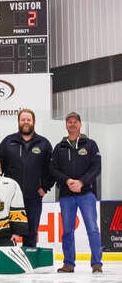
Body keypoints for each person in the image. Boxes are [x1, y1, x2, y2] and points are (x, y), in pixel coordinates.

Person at [50, 112, 102, 273]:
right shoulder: (59, 147)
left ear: (80, 124)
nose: (72, 124)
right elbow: (52, 169)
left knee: (92, 228)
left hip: (86, 193)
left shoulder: (90, 144)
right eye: (69, 122)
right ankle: (68, 264)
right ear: (66, 125)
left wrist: (81, 182)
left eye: (75, 121)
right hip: (66, 195)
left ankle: (96, 264)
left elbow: (96, 168)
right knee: (67, 230)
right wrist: (67, 181)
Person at [0, 109, 53, 248]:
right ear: (18, 122)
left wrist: (45, 187)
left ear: (33, 122)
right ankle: (9, 260)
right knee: (7, 230)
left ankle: (29, 260)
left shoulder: (43, 143)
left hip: (33, 195)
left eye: (28, 120)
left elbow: (52, 169)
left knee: (31, 230)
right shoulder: (8, 142)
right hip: (11, 196)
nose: (25, 122)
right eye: (23, 120)